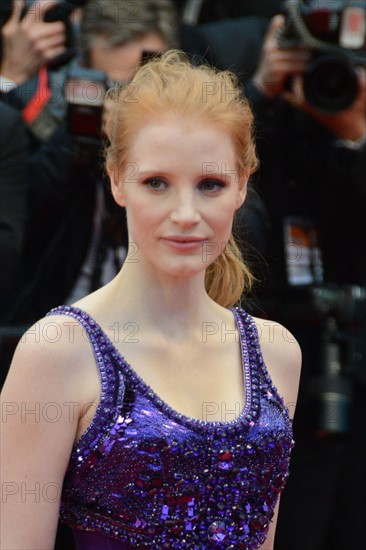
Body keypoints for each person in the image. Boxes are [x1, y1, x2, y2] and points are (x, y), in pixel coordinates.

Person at [1, 50, 301, 550]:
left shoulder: (277, 354)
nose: (185, 213)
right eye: (156, 183)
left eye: (210, 185)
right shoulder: (56, 352)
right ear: (117, 179)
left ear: (242, 186)